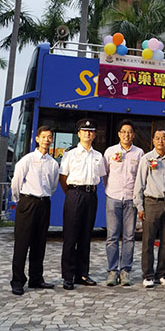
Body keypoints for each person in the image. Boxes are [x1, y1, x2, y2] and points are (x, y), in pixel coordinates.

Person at [10, 125, 59, 296]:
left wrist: (43, 198)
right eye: (44, 136)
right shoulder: (27, 159)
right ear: (37, 139)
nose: (47, 139)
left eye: (49, 137)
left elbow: (53, 186)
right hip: (27, 202)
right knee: (22, 243)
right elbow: (16, 182)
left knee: (40, 243)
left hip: (44, 203)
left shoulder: (53, 163)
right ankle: (17, 281)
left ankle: (36, 278)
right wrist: (20, 200)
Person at [59, 118, 106, 290]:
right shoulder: (70, 154)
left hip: (90, 196)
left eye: (91, 131)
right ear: (79, 133)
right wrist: (72, 194)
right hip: (74, 194)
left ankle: (82, 274)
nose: (88, 133)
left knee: (86, 236)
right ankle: (68, 276)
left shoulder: (98, 156)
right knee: (71, 237)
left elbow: (99, 177)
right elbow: (63, 177)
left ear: (94, 135)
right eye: (84, 131)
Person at [133, 129, 165, 288]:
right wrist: (140, 205)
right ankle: (148, 275)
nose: (161, 141)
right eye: (158, 138)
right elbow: (139, 183)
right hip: (151, 203)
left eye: (164, 138)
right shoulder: (147, 159)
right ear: (153, 141)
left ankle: (162, 273)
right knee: (148, 240)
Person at [103, 119, 144, 287]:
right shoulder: (110, 152)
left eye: (129, 132)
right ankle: (112, 271)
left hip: (131, 200)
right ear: (119, 134)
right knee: (111, 237)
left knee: (129, 237)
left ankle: (125, 271)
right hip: (113, 198)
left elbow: (140, 178)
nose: (126, 135)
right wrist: (110, 190)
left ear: (133, 135)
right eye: (123, 132)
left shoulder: (139, 153)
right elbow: (105, 174)